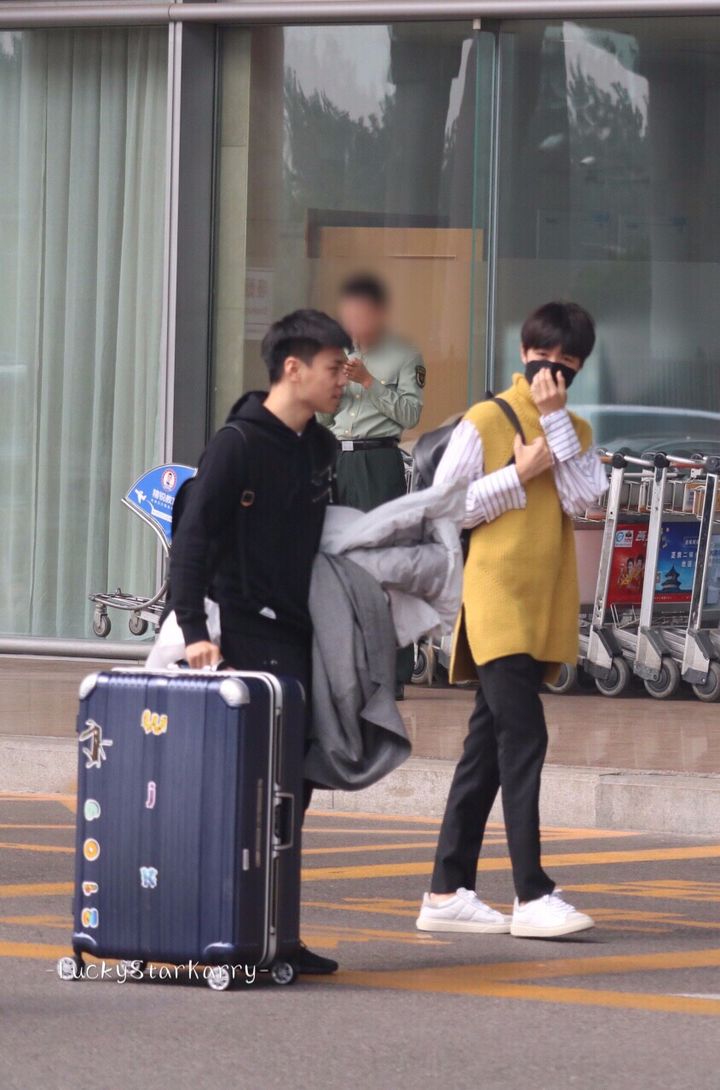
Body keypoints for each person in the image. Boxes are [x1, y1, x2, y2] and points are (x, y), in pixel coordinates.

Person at [416, 301, 608, 939]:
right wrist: (516, 476)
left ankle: (446, 891)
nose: (554, 371)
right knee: (524, 740)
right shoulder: (485, 419)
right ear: (525, 354)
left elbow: (585, 499)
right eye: (544, 358)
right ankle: (532, 893)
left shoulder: (573, 428)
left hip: (541, 603)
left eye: (568, 362)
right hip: (496, 599)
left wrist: (553, 425)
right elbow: (443, 510)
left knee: (486, 750)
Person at [168, 308, 351, 974]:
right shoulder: (237, 444)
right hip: (243, 637)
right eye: (334, 368)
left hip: (300, 640)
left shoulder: (321, 449)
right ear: (293, 368)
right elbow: (192, 541)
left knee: (289, 798)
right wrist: (194, 631)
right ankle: (222, 931)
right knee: (244, 796)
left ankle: (277, 935)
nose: (343, 380)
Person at [318, 273, 426, 699]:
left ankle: (391, 672)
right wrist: (330, 389)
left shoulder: (403, 355)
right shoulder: (338, 353)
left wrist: (368, 382)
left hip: (377, 460)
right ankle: (345, 666)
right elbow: (325, 418)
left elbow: (410, 414)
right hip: (337, 459)